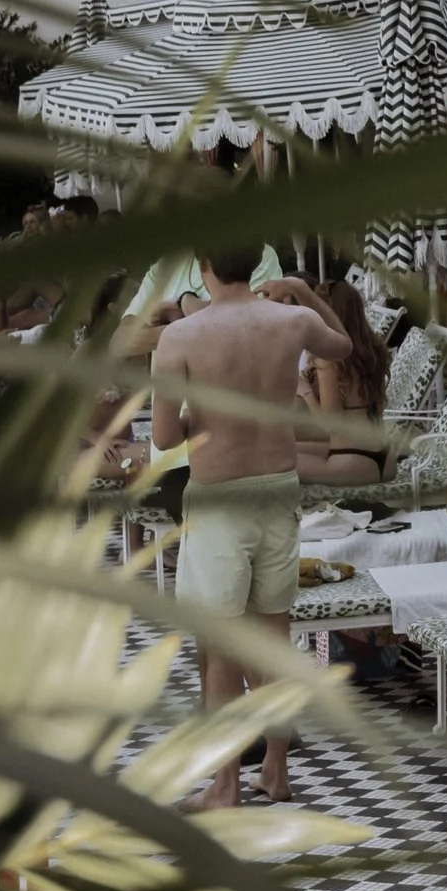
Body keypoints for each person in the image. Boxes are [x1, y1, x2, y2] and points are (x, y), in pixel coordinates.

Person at [151, 256, 350, 809]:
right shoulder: (290, 322)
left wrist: (209, 420)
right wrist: (299, 292)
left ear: (204, 265)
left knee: (218, 651)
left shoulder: (181, 336)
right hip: (279, 491)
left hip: (221, 499)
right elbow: (344, 346)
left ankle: (224, 787)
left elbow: (166, 438)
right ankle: (276, 773)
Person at [298, 275, 393, 483]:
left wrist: (305, 392)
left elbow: (331, 424)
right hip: (385, 457)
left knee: (268, 461)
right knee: (281, 449)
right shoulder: (374, 350)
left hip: (351, 460)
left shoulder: (329, 358)